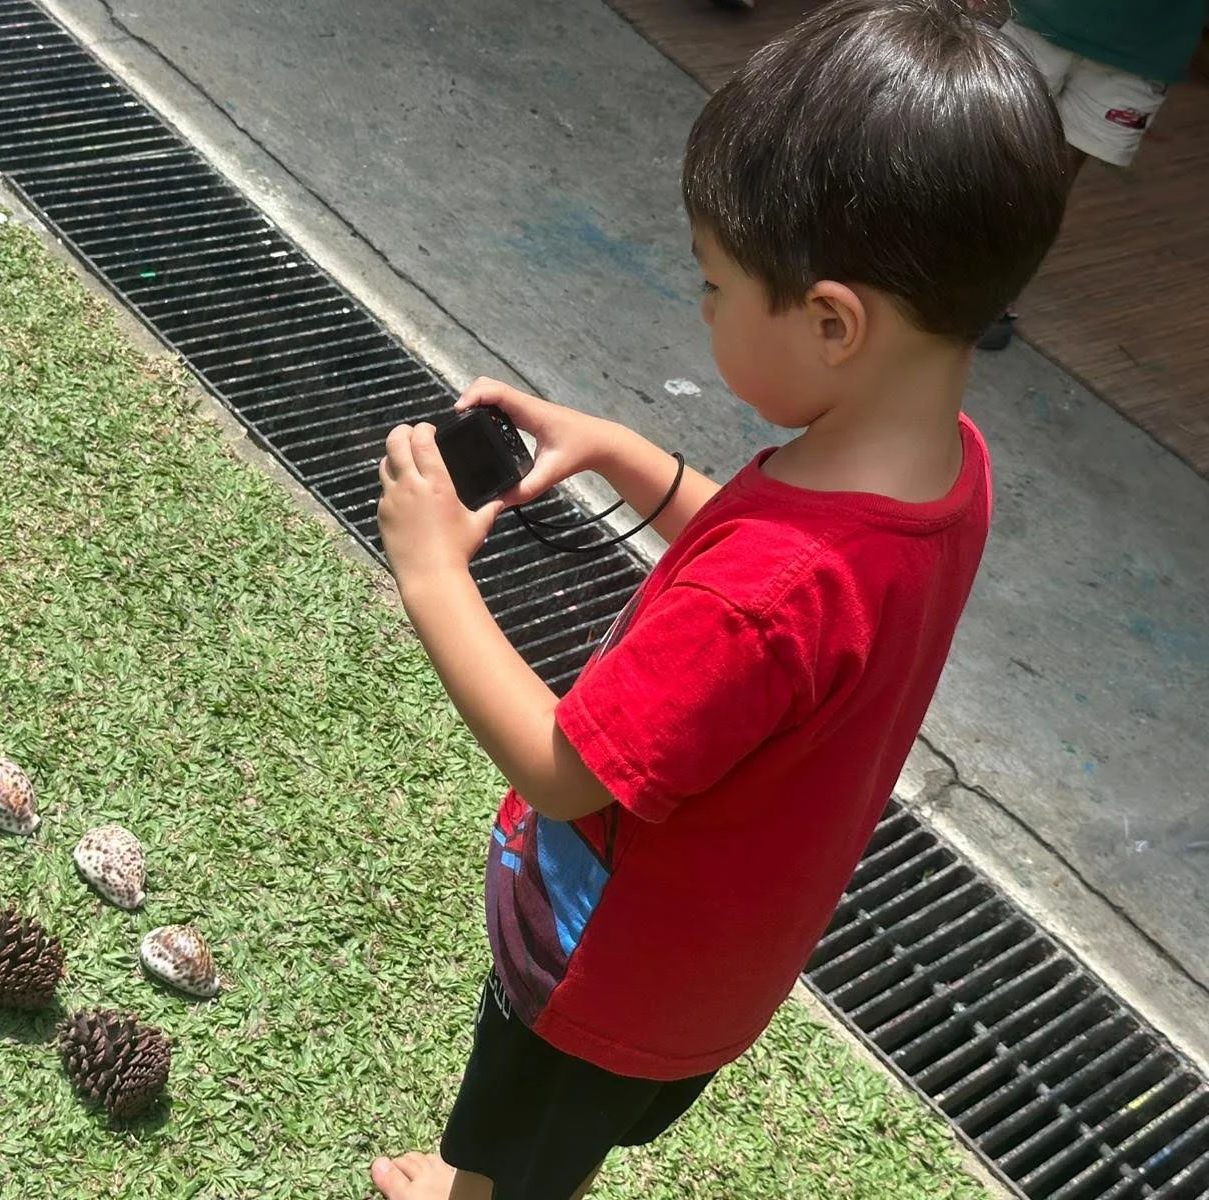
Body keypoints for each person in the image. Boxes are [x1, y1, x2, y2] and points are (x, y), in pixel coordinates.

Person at [370, 2, 1068, 1197]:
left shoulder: (767, 596)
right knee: (539, 1133)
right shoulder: (943, 470)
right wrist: (620, 452)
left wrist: (432, 575)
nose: (699, 308)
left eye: (713, 286)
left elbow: (561, 765)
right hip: (717, 955)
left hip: (602, 969)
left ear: (833, 322)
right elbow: (798, 590)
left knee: (523, 1131)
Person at [976, 0, 1209, 348]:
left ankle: (997, 288)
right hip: (1043, 15)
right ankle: (933, 261)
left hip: (1146, 48)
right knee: (982, 146)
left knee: (1052, 181)